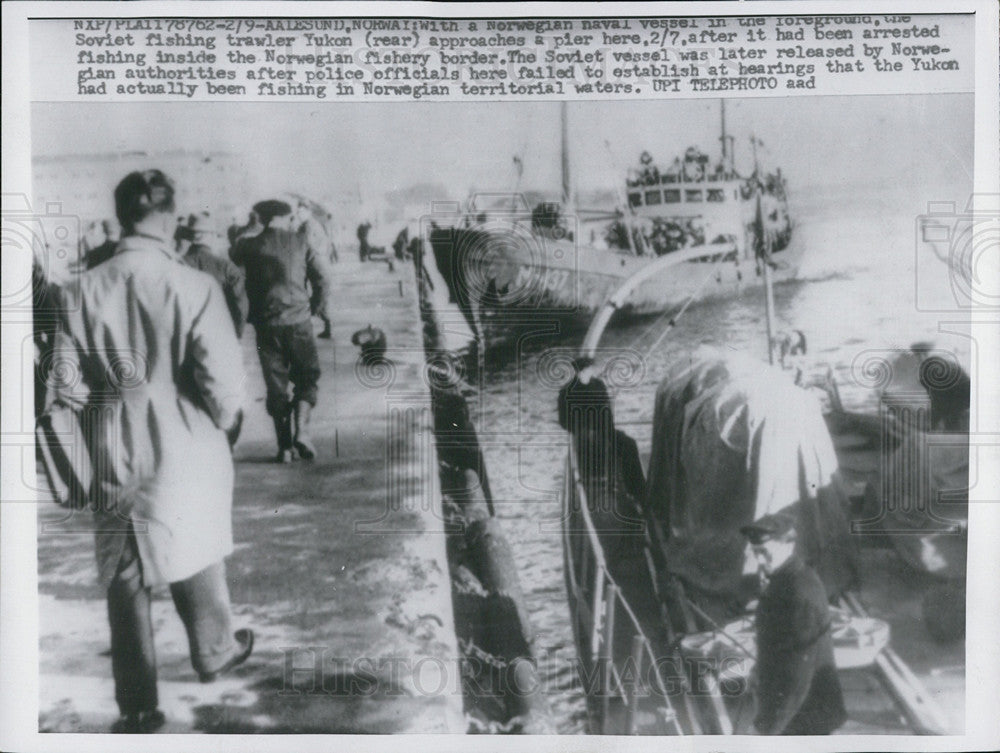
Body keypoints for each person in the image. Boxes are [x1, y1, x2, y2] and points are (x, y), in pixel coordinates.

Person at [46, 170, 253, 733]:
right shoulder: (192, 285)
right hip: (182, 438)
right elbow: (223, 388)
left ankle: (137, 704)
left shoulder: (78, 290)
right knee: (192, 541)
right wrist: (222, 422)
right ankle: (213, 651)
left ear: (119, 217)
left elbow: (66, 387)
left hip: (112, 439)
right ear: (168, 217)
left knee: (125, 569)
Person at [232, 199, 331, 462]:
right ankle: (303, 433)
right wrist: (316, 306)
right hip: (298, 322)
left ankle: (284, 447)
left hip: (266, 326)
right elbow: (322, 277)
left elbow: (234, 281)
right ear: (286, 218)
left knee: (276, 386)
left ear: (263, 219)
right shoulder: (301, 242)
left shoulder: (247, 246)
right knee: (307, 378)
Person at [742, 509, 846, 736]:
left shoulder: (799, 593)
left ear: (788, 545)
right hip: (793, 710)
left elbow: (797, 677)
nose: (759, 560)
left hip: (806, 718)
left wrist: (767, 729)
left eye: (765, 552)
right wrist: (758, 670)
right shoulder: (785, 579)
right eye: (755, 552)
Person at [181, 212, 248, 338]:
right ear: (211, 235)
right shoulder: (226, 267)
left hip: (186, 336)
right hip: (219, 334)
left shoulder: (177, 264)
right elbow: (240, 304)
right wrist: (236, 334)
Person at [294, 201, 334, 339]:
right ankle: (325, 327)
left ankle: (306, 327)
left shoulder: (308, 226)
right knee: (320, 297)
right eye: (297, 212)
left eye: (300, 212)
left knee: (318, 297)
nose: (298, 214)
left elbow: (304, 245)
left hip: (316, 266)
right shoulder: (310, 224)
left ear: (308, 212)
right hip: (318, 265)